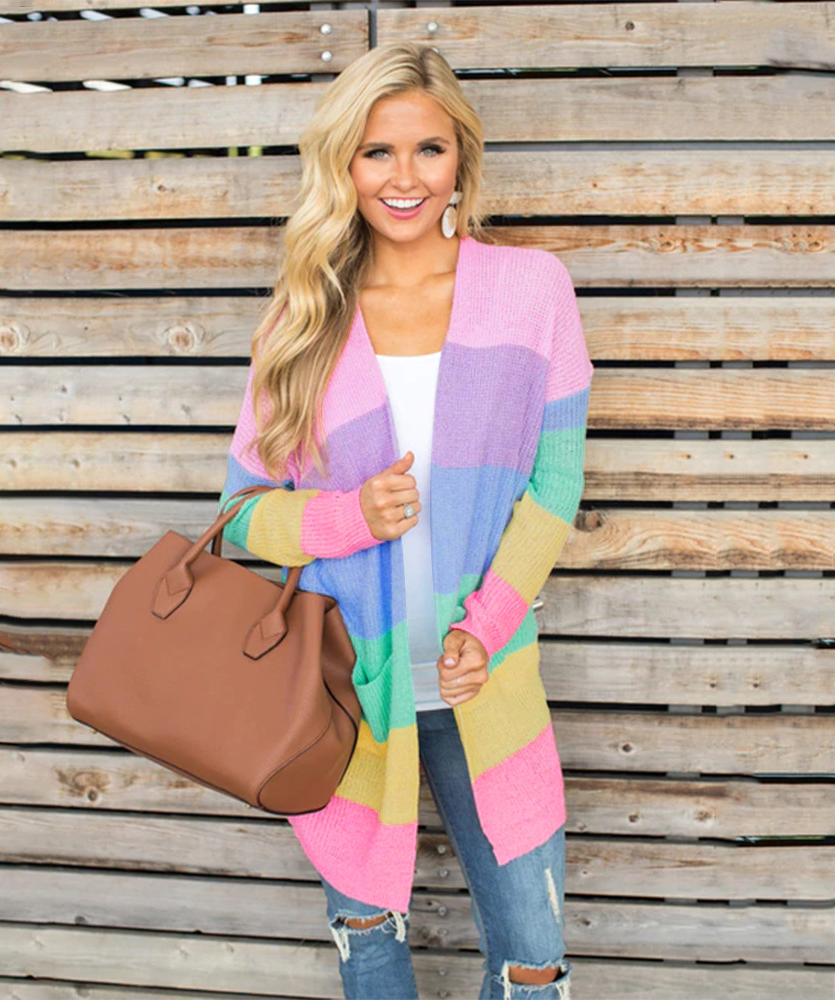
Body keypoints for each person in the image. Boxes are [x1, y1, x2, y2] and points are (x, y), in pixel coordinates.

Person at [217, 42, 591, 1000]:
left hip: (486, 680)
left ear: (461, 158)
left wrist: (487, 627)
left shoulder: (532, 290)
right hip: (347, 696)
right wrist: (345, 517)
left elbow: (554, 487)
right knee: (368, 942)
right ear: (344, 165)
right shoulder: (305, 318)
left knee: (534, 961)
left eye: (429, 148)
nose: (404, 177)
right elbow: (240, 516)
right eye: (376, 152)